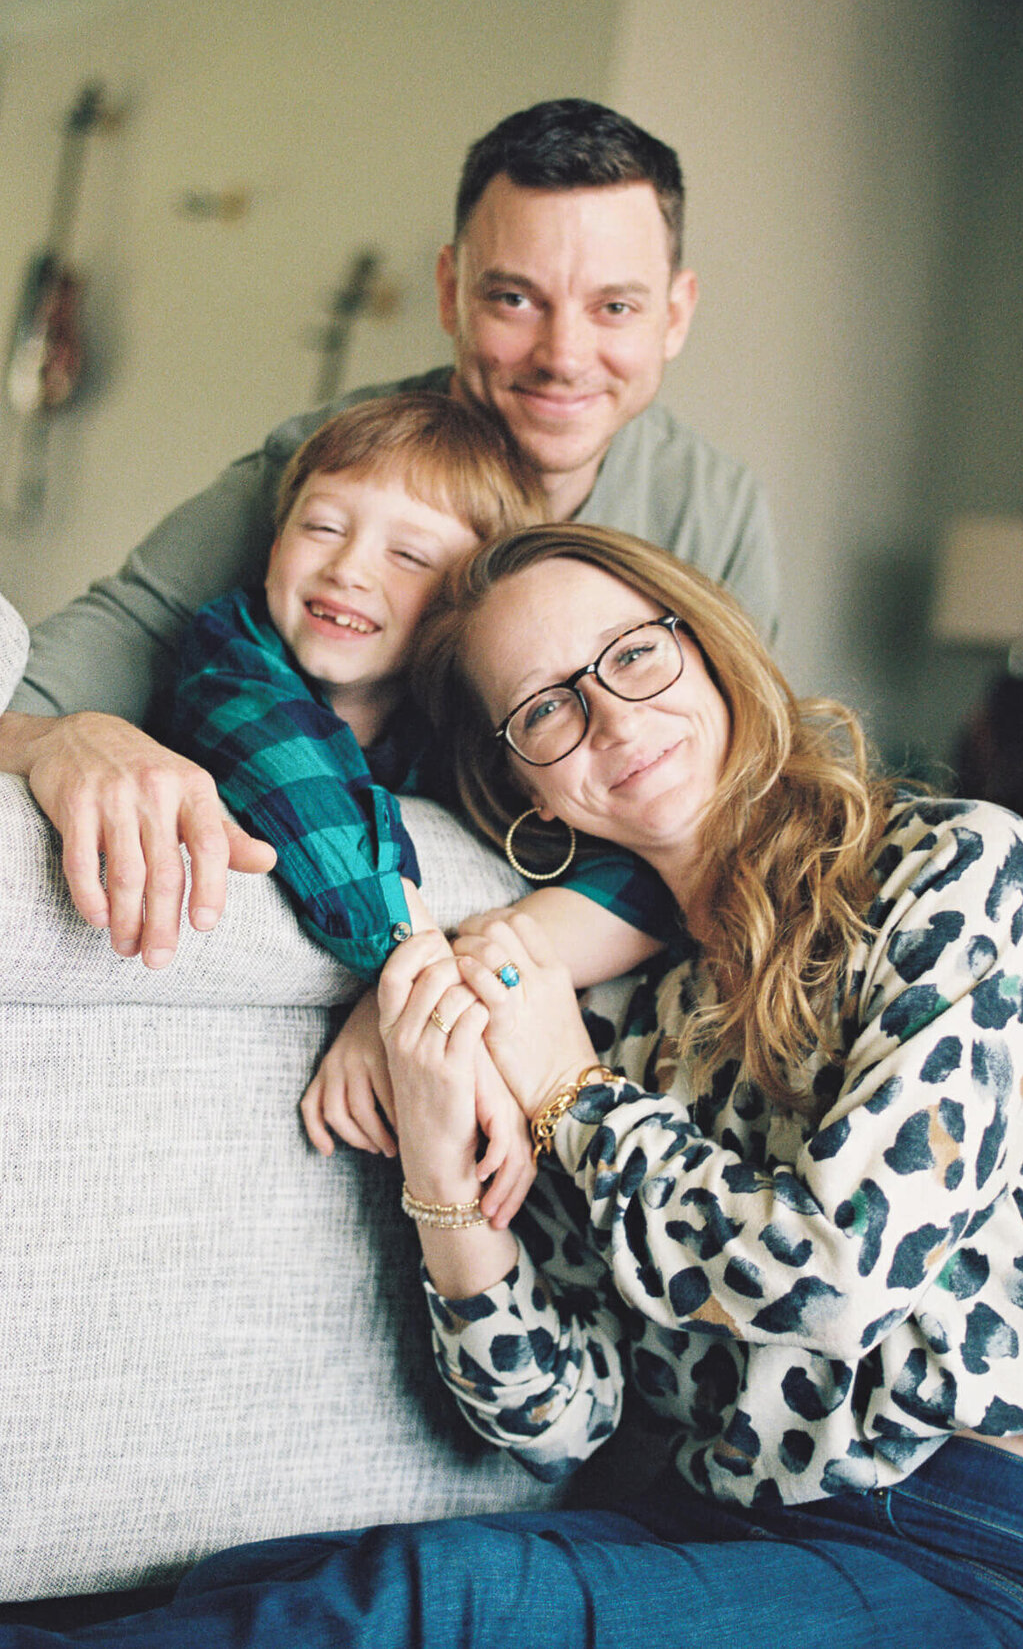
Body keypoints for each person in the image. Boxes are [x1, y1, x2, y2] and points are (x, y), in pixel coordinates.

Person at [0, 524, 1023, 1648]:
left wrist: (570, 1092)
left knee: (427, 1605)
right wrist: (446, 1188)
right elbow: (565, 1419)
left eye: (636, 655)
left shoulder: (952, 865)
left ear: (706, 647)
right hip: (715, 1523)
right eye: (545, 707)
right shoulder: (616, 1008)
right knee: (264, 1580)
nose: (610, 716)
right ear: (526, 790)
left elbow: (842, 1277)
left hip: (962, 1546)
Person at [0, 98, 779, 972]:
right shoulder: (325, 469)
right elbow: (28, 689)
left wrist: (487, 967)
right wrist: (69, 739)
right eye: (514, 298)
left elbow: (744, 804)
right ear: (449, 293)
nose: (563, 354)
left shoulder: (715, 513)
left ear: (675, 313)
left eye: (616, 307)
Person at [171, 392, 666, 1217]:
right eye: (322, 527)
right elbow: (313, 810)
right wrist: (428, 989)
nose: (349, 569)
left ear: (462, 613)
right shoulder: (229, 654)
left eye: (408, 556)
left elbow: (645, 880)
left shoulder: (472, 735)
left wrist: (436, 991)